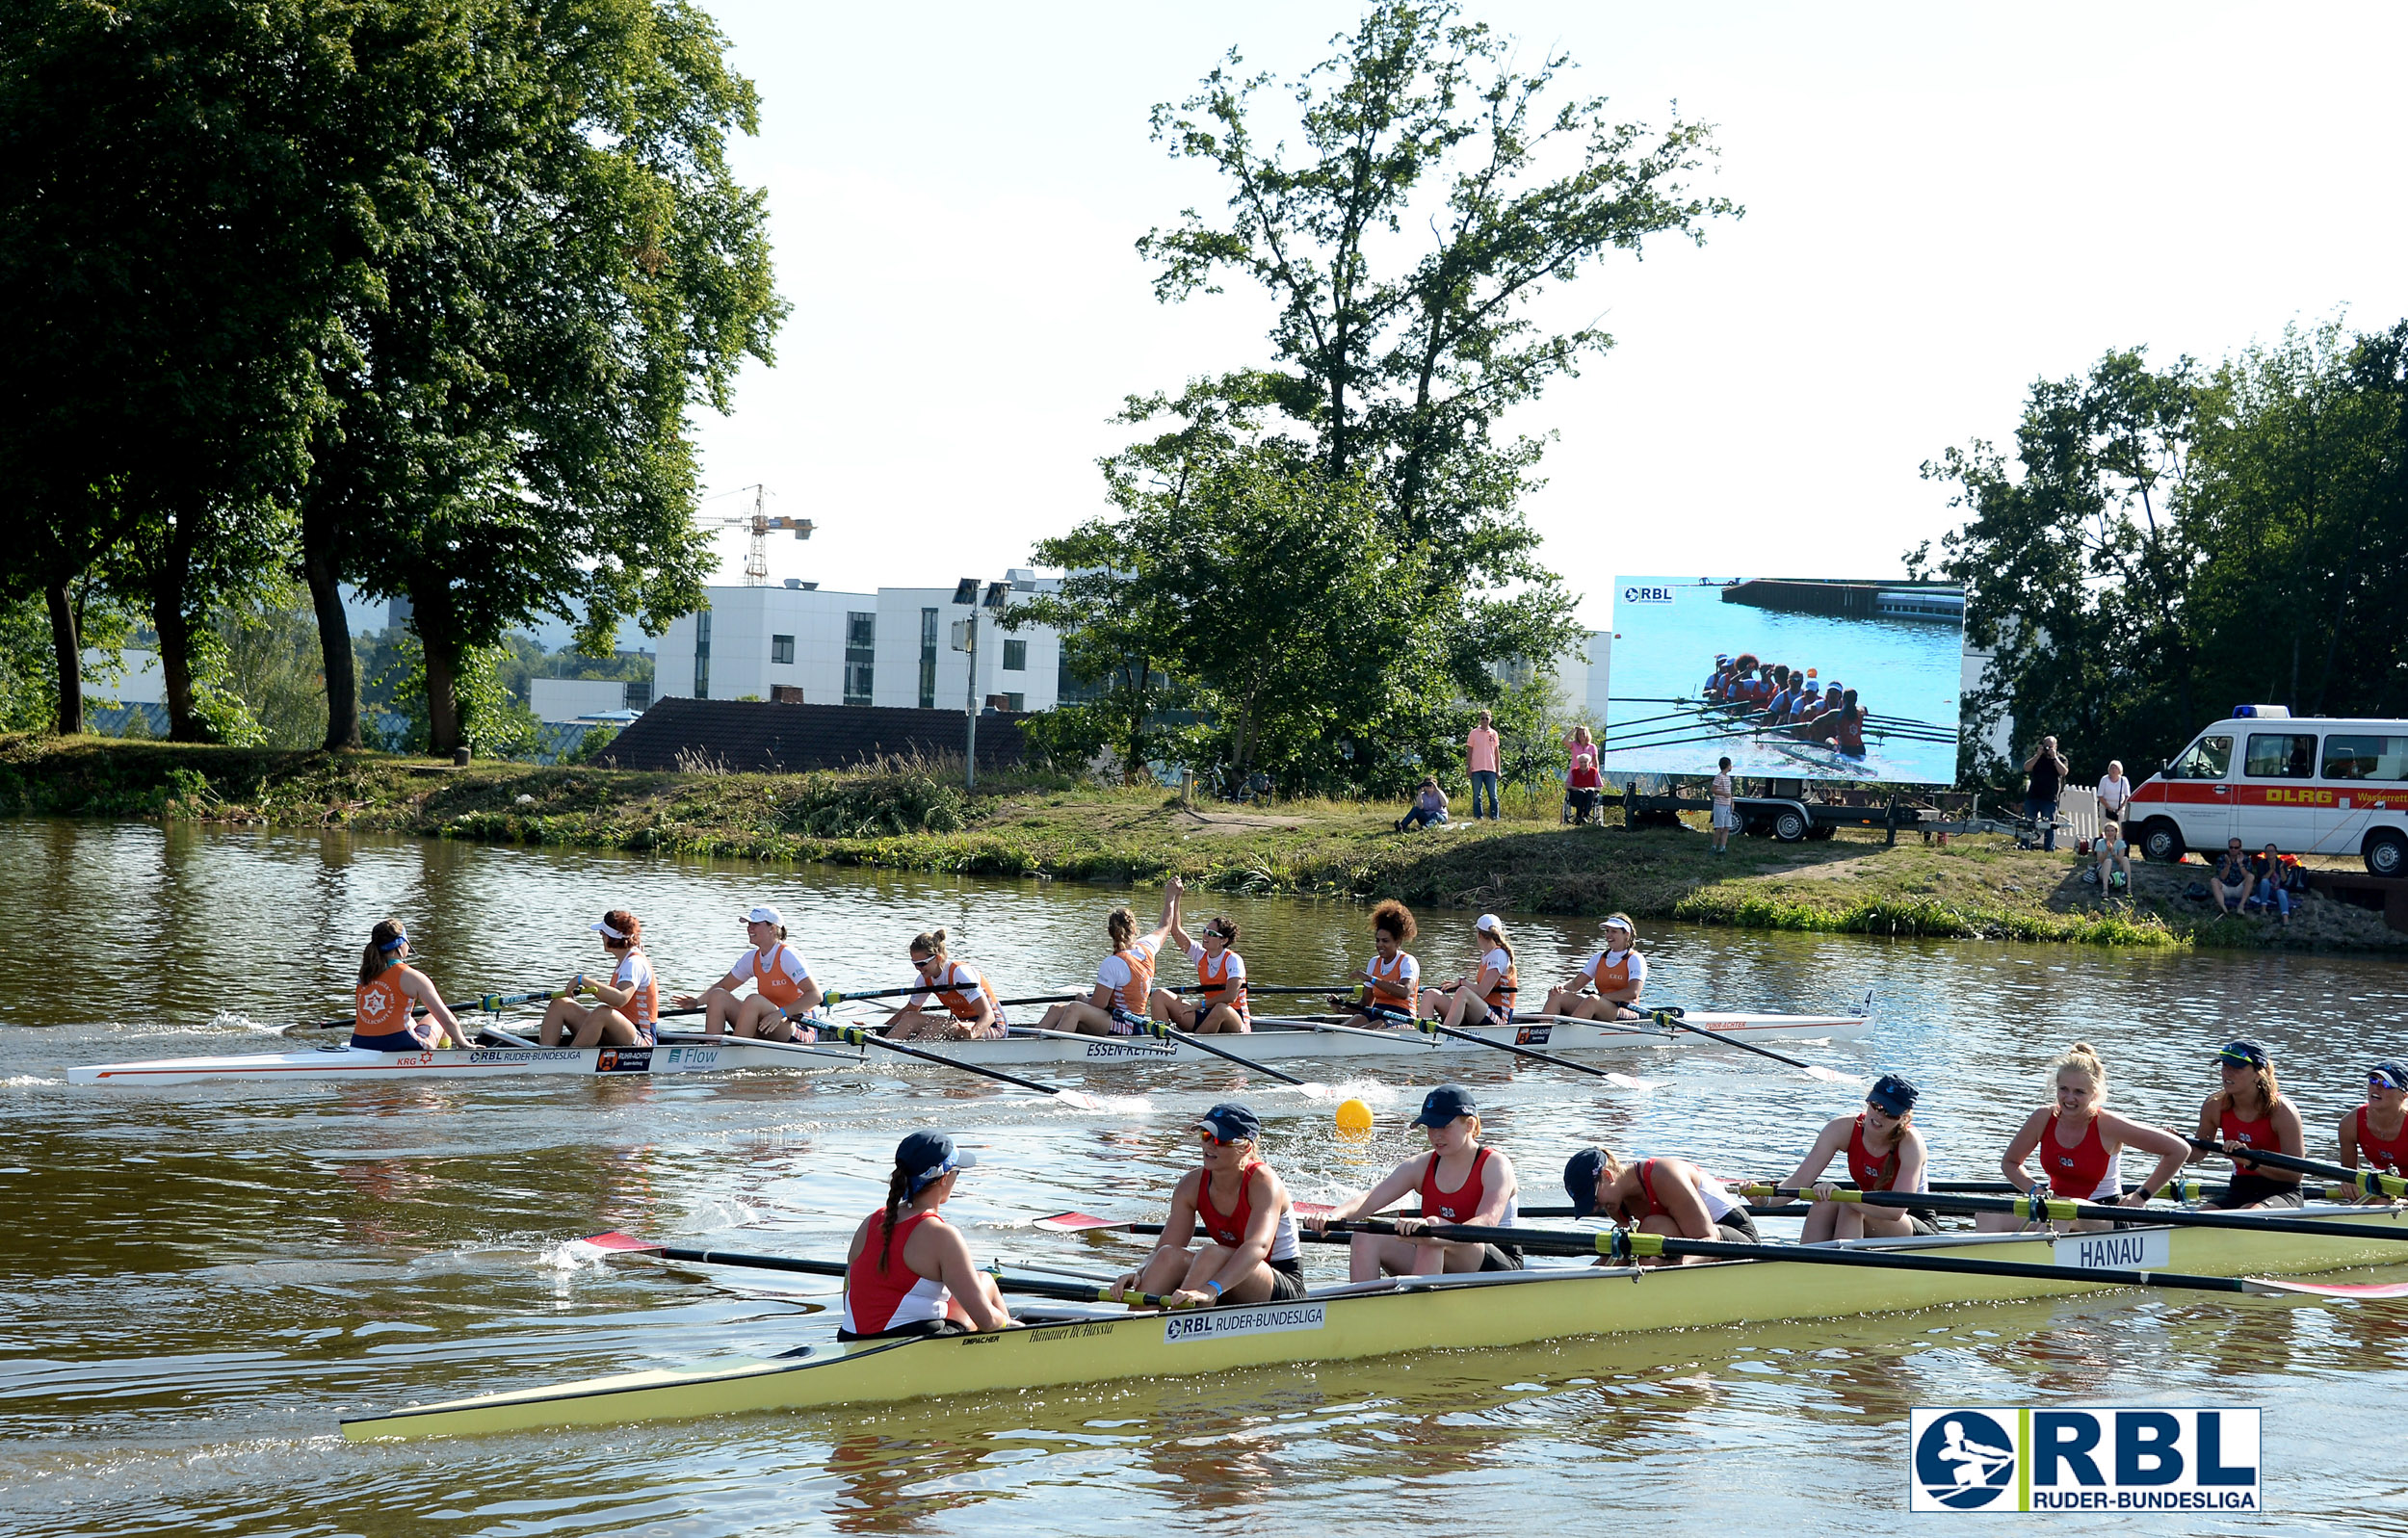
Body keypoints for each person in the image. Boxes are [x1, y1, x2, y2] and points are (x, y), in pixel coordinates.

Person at [1306, 1084, 1520, 1277]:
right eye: (1430, 1127)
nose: (1435, 1135)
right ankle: (1362, 1309)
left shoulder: (1495, 1165)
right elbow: (1370, 1201)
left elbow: (1486, 1222)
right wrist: (1332, 1216)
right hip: (1436, 1250)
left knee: (1430, 1231)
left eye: (1444, 1126)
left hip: (1496, 1262)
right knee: (1364, 1235)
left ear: (1470, 1125)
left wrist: (1432, 1229)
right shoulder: (1421, 1165)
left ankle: (1420, 1311)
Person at [1978, 1042, 2189, 1232]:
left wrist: (2141, 1195)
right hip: (2056, 1206)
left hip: (2106, 1214)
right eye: (2063, 1089)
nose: (2069, 1099)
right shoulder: (2043, 1117)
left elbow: (2179, 1150)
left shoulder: (2108, 1124)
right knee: (1987, 1215)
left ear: (2094, 1094)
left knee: (2065, 1212)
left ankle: (2027, 1265)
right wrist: (2035, 1189)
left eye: (2079, 1092)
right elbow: (2010, 1162)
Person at [1118, 1103, 1306, 1307]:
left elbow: (1257, 1247)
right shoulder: (1190, 1185)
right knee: (1168, 1256)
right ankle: (1137, 1325)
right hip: (1224, 1276)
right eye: (1206, 1135)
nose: (1209, 1145)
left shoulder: (1263, 1182)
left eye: (1219, 1139)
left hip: (1280, 1283)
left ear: (1245, 1147)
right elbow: (1165, 1246)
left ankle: (1184, 1325)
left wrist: (1210, 1289)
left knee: (1211, 1253)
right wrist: (1138, 1271)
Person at [839, 1133, 1010, 1340]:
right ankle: (1017, 1343)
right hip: (908, 1346)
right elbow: (987, 1321)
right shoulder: (942, 1235)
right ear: (945, 1178)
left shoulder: (870, 1222)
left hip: (850, 1338)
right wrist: (1007, 1321)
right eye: (958, 1172)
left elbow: (847, 1300)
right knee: (986, 1281)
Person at [1780, 1074, 1934, 1241]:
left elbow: (1895, 1211)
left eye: (1891, 1114)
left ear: (1903, 1118)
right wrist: (1764, 1200)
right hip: (1870, 1209)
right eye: (1876, 1106)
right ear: (1868, 1101)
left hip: (1911, 1220)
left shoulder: (1911, 1143)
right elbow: (1799, 1181)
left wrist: (1843, 1196)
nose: (1879, 1116)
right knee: (1823, 1200)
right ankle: (1805, 1262)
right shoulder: (1841, 1128)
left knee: (1850, 1205)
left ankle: (1842, 1264)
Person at [1565, 1145, 1759, 1265]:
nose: (1594, 1208)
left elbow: (1708, 1239)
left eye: (1594, 1199)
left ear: (1608, 1176)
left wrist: (1674, 1268)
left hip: (1737, 1243)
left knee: (1650, 1229)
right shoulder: (1614, 1203)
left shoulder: (1663, 1175)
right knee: (1621, 1235)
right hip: (1686, 1243)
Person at [1038, 882, 1179, 1037]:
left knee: (1075, 1008)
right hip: (1117, 1019)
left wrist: (1082, 997)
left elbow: (1098, 1004)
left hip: (1128, 1026)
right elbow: (1165, 926)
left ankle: (1049, 1053)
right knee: (1055, 1009)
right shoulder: (1148, 948)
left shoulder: (1114, 963)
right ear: (1134, 929)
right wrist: (1171, 896)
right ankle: (1030, 1045)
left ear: (1109, 932)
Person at [671, 904, 823, 1042]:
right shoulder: (752, 958)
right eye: (749, 924)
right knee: (718, 995)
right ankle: (712, 1051)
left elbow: (815, 995)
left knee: (753, 1000)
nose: (750, 928)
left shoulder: (787, 955)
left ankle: (735, 1054)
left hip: (797, 1027)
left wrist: (780, 1013)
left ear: (773, 928)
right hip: (768, 1023)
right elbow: (724, 985)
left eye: (755, 924)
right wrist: (697, 1002)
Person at [2186, 1039, 2304, 1209]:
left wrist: (2250, 1161)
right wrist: (2174, 1143)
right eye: (2225, 1066)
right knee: (2202, 1216)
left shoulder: (2283, 1111)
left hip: (2282, 1191)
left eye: (2237, 1068)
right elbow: (2197, 1154)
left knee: (2248, 1212)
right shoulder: (2214, 1105)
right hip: (2241, 1188)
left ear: (2258, 1073)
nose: (2227, 1073)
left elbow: (2295, 1175)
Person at [537, 909, 659, 1048]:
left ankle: (568, 1058)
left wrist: (582, 980)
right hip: (618, 1031)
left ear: (610, 937)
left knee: (602, 1012)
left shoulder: (634, 963)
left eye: (602, 933)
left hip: (642, 1039)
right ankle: (544, 1055)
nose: (601, 937)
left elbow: (620, 999)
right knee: (560, 1003)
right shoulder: (628, 958)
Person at [349, 920, 472, 1051]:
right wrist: (465, 1044)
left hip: (360, 1044)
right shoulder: (413, 977)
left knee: (410, 1020)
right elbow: (447, 1020)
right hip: (399, 1044)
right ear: (401, 944)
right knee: (435, 1018)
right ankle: (446, 1056)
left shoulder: (365, 974)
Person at [883, 928, 1008, 1041]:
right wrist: (877, 1029)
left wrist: (973, 1034)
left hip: (991, 1026)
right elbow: (910, 1010)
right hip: (961, 1022)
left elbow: (988, 1016)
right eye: (914, 963)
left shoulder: (960, 973)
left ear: (937, 958)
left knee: (940, 1026)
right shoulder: (923, 979)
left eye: (922, 963)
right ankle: (879, 1050)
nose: (918, 968)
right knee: (909, 1018)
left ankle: (910, 1057)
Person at [1152, 906, 1249, 1033]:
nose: (1205, 935)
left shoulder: (1233, 960)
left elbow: (1230, 996)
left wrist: (1199, 1005)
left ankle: (1191, 1048)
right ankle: (1163, 1042)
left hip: (1234, 1019)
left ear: (1224, 940)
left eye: (1211, 933)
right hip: (1208, 1014)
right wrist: (1175, 896)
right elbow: (1175, 930)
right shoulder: (1200, 955)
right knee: (1159, 995)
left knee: (1220, 1008)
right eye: (1205, 930)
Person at [1328, 899, 1422, 1026]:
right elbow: (1365, 1003)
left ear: (1398, 942)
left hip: (1402, 1016)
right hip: (1377, 1011)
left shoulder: (1407, 961)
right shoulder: (1374, 962)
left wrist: (1371, 979)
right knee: (1343, 1030)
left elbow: (1404, 992)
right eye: (1377, 940)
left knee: (1370, 1029)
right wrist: (1341, 1007)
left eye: (1385, 941)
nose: (1379, 945)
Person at [1539, 914, 1646, 1021]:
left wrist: (1605, 997)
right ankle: (1543, 1031)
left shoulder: (1635, 959)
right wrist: (1560, 987)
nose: (1608, 935)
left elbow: (1633, 992)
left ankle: (1569, 1033)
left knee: (1592, 1000)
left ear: (1626, 934)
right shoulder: (1599, 957)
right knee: (1557, 995)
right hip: (1599, 1004)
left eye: (1614, 931)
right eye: (1607, 931)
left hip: (1625, 1010)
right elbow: (1575, 985)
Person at [1419, 913, 1517, 1029]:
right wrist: (1457, 985)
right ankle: (1425, 1033)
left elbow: (1482, 992)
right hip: (1482, 1012)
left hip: (1499, 1018)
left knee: (1462, 992)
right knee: (1430, 994)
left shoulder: (1499, 954)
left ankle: (1442, 1037)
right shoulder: (1488, 955)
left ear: (1479, 934)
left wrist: (1462, 982)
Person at [2340, 1062, 2408, 1203]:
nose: (2377, 1087)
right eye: (2373, 1080)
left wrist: (2401, 1200)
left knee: (2382, 1202)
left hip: (2403, 1193)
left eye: (2387, 1084)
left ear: (2403, 1096)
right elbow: (2349, 1176)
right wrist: (2349, 1184)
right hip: (2382, 1188)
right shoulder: (2350, 1124)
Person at [2023, 736, 2067, 851]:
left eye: (2050, 746)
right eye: (2046, 746)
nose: (2047, 749)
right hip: (2033, 795)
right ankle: (2025, 845)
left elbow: (2064, 772)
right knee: (2028, 822)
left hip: (2049, 797)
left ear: (2055, 747)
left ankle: (2049, 848)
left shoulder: (2061, 759)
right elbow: (2026, 768)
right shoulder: (2038, 758)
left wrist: (2054, 757)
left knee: (2049, 825)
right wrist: (2037, 755)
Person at [1466, 710, 1502, 821]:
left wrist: (1498, 769)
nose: (1485, 720)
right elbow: (1469, 751)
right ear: (1479, 719)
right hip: (1476, 768)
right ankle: (1478, 817)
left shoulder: (1494, 734)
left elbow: (1496, 753)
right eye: (1483, 718)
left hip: (1490, 768)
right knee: (1477, 795)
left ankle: (1495, 816)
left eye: (1487, 718)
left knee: (1493, 795)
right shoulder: (1473, 733)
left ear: (1490, 719)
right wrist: (1468, 767)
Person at [1563, 726, 1603, 824]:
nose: (1582, 736)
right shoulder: (1574, 745)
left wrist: (1594, 774)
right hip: (1576, 776)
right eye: (1580, 734)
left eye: (1584, 734)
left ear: (1587, 735)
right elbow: (1564, 741)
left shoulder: (1592, 747)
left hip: (1589, 775)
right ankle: (1579, 815)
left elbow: (1595, 761)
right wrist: (1573, 730)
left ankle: (1584, 816)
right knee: (1579, 792)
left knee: (1589, 792)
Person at [2244, 844, 2292, 925]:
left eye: (2272, 851)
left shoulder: (2281, 863)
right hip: (2264, 889)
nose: (2270, 853)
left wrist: (2281, 869)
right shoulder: (2261, 863)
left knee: (2281, 892)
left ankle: (2285, 918)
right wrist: (2271, 870)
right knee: (2265, 882)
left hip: (2277, 889)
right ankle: (2263, 909)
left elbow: (2284, 880)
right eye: (2268, 851)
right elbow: (2263, 878)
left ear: (2276, 853)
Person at [2211, 838, 2253, 917]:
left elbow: (2247, 876)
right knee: (2214, 880)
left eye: (2236, 848)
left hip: (2239, 889)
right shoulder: (2222, 858)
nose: (2233, 850)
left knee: (2251, 877)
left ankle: (2241, 906)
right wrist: (2228, 865)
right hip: (2226, 888)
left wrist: (2240, 864)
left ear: (2240, 848)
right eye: (2231, 847)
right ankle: (2223, 908)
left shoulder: (2246, 859)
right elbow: (2222, 877)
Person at [2093, 819, 2133, 894]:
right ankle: (2105, 889)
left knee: (2125, 859)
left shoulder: (2121, 843)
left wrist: (2113, 853)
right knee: (2108, 861)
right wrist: (2107, 851)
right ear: (2105, 832)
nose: (2110, 833)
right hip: (2103, 869)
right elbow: (2099, 861)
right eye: (2108, 831)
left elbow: (2120, 861)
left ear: (2116, 832)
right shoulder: (2100, 842)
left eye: (2112, 831)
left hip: (2117, 868)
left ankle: (2128, 887)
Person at [1709, 756, 1736, 855]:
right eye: (1730, 764)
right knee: (1719, 827)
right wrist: (1723, 794)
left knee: (1727, 827)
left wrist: (1732, 802)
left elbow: (1729, 792)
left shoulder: (1727, 778)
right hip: (1720, 805)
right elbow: (1713, 789)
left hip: (1727, 805)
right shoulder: (1719, 776)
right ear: (1727, 766)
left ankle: (1723, 848)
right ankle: (1714, 846)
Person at [2096, 759, 2134, 825]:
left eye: (2115, 768)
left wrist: (2121, 807)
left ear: (2119, 770)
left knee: (2120, 827)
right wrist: (2108, 807)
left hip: (2120, 809)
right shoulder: (2104, 779)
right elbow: (2100, 795)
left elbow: (2127, 796)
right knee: (2106, 827)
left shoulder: (2124, 780)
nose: (2113, 770)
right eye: (2112, 768)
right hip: (2106, 809)